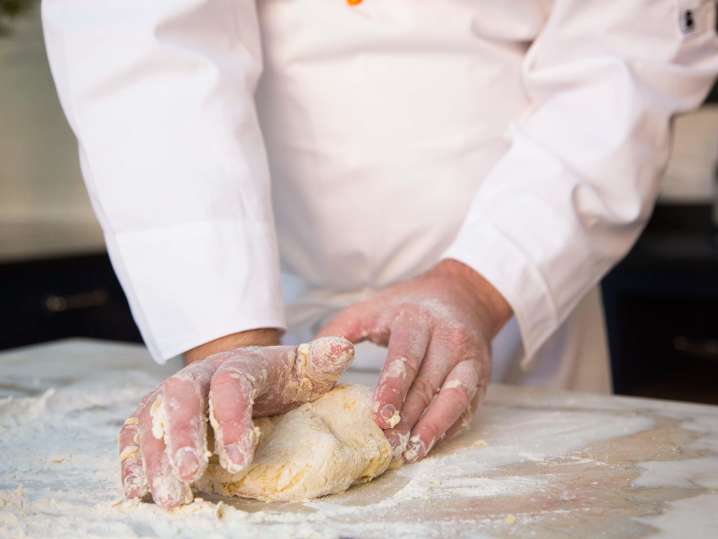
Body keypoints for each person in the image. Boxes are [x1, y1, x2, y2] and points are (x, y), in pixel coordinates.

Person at [42, 0, 718, 508]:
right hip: (260, 286)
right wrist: (227, 336)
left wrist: (482, 284)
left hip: (525, 295)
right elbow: (145, 52)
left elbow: (626, 51)